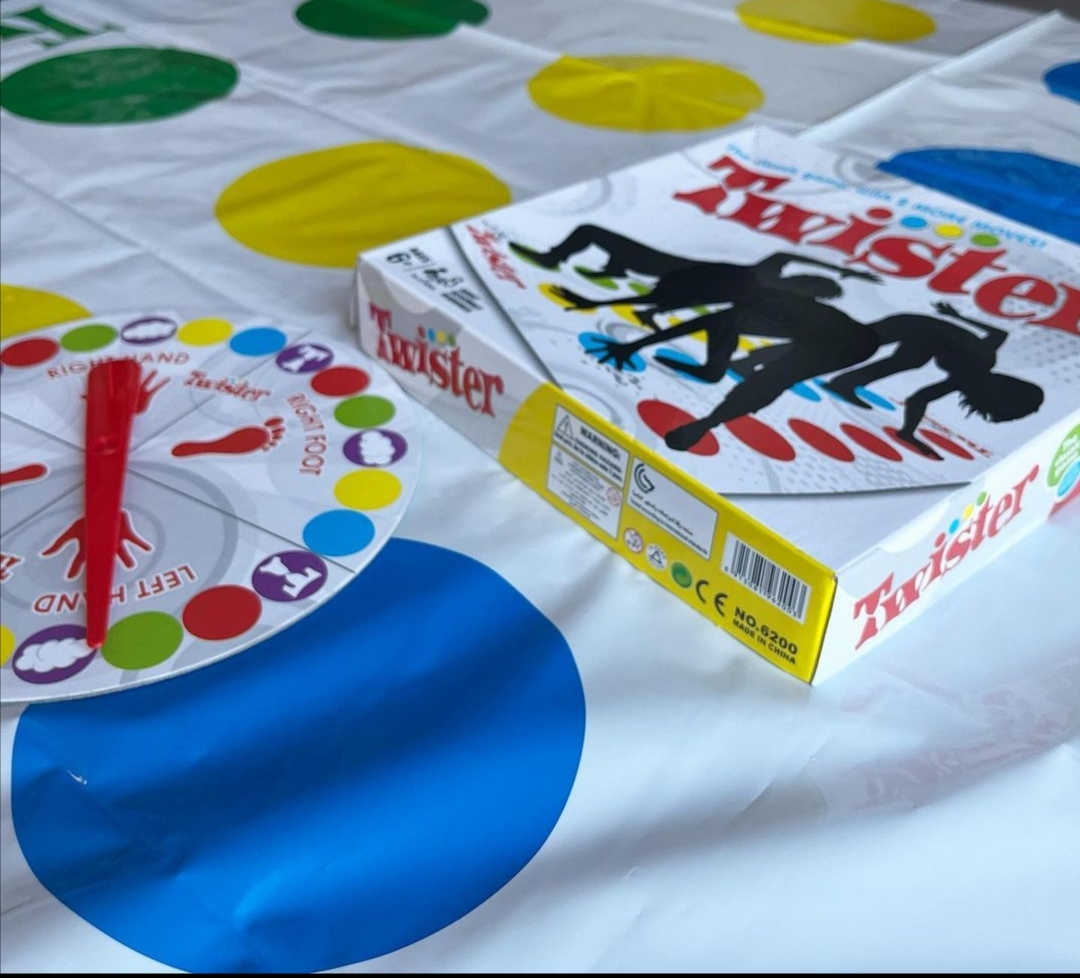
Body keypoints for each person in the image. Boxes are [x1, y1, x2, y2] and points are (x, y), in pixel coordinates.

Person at [587, 275, 881, 451]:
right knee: (733, 330)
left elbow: (714, 320)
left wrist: (634, 345)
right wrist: (633, 345)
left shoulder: (788, 305)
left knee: (774, 375)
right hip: (823, 335)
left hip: (851, 345)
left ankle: (705, 422)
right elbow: (711, 319)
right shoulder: (773, 299)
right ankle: (712, 372)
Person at [509, 224, 880, 330]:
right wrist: (842, 270)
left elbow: (702, 301)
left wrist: (841, 272)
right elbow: (788, 255)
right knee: (598, 235)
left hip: (671, 273)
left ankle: (560, 260)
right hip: (671, 267)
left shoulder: (765, 288)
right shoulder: (769, 281)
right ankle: (604, 266)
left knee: (593, 233)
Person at [819, 301, 1044, 456]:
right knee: (856, 344)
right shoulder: (973, 369)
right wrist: (956, 316)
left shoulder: (979, 366)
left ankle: (843, 382)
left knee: (902, 357)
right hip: (913, 326)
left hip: (920, 333)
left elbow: (999, 335)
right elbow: (919, 398)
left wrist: (908, 432)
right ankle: (840, 380)